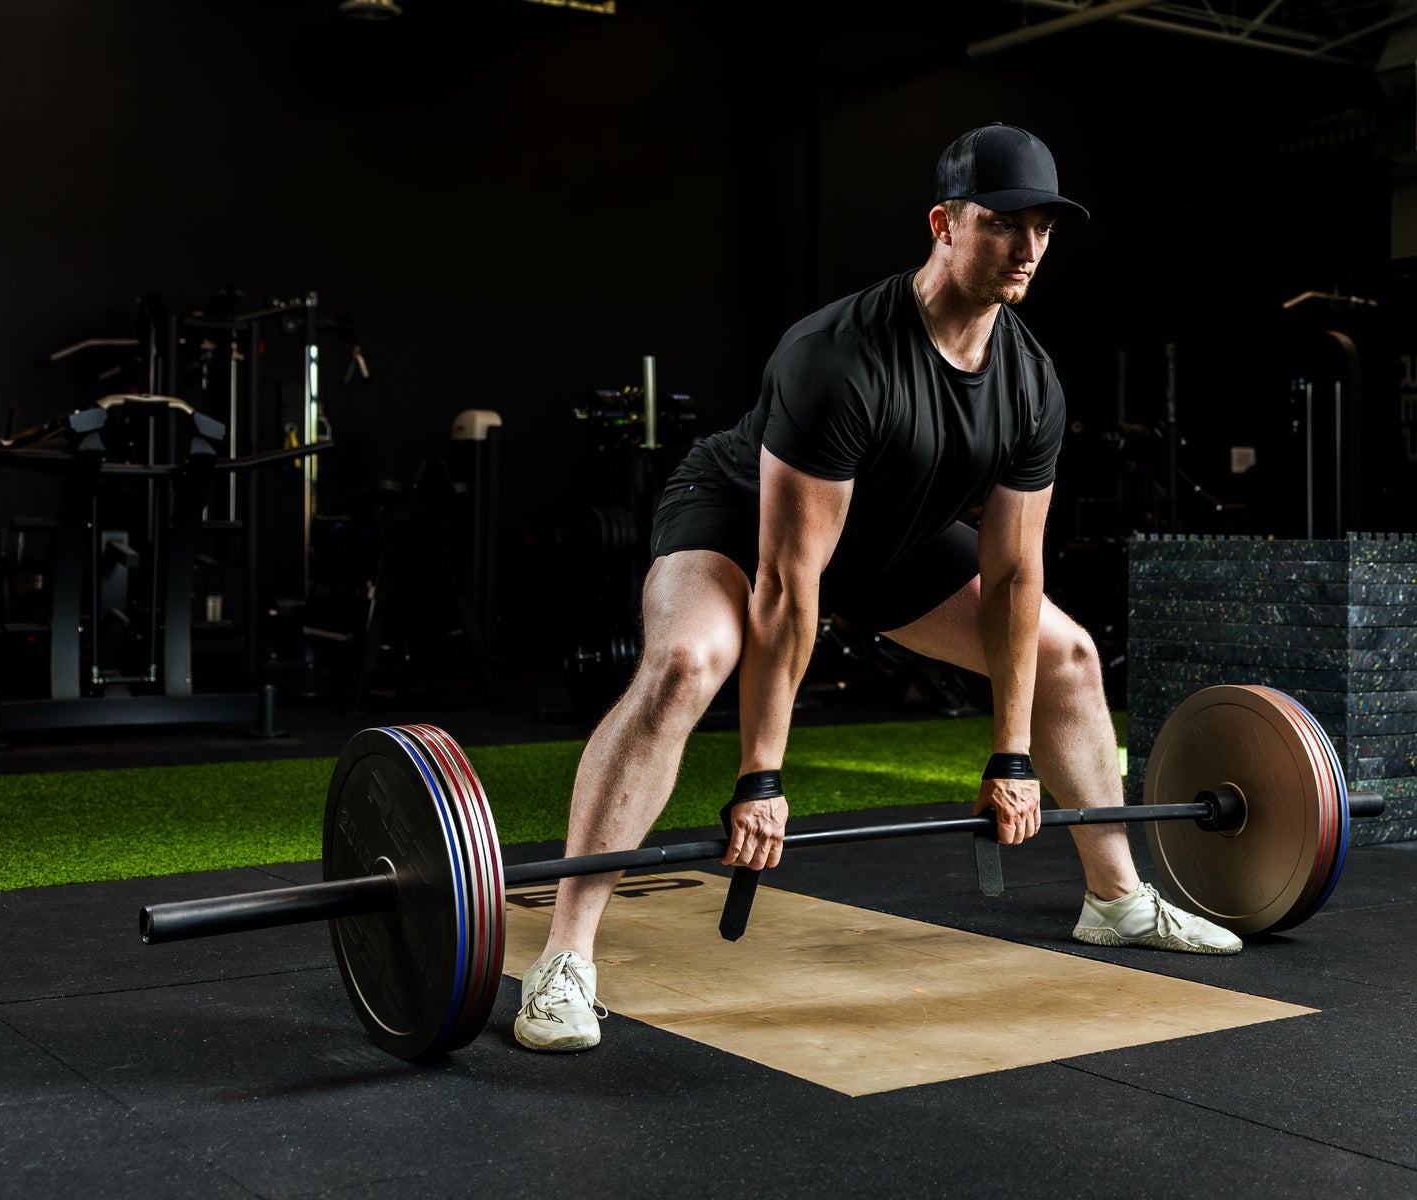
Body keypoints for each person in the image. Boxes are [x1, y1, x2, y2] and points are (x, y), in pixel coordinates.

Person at [514, 123, 1239, 1054]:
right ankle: (565, 956)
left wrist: (1011, 755)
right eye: (1002, 223)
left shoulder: (1031, 384)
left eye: (1044, 229)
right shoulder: (839, 357)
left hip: (887, 538)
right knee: (689, 664)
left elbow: (1014, 572)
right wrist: (761, 777)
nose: (1027, 249)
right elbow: (786, 580)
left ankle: (1118, 900)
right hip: (743, 521)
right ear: (944, 223)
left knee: (1067, 654)